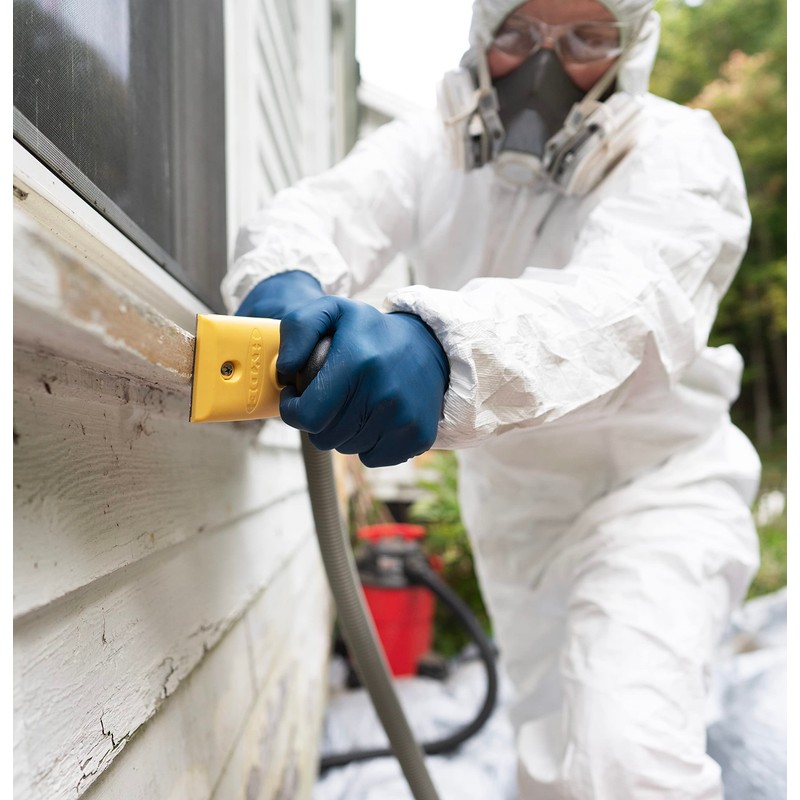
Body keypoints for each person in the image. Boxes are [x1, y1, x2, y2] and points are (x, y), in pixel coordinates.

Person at [222, 0, 761, 796]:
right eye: (517, 33)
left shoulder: (678, 155)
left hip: (657, 493)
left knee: (630, 758)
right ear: (480, 36)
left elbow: (623, 312)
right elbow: (317, 212)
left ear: (632, 49)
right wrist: (282, 280)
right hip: (518, 513)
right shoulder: (431, 151)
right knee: (549, 760)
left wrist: (444, 349)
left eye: (586, 39)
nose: (540, 66)